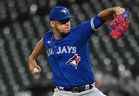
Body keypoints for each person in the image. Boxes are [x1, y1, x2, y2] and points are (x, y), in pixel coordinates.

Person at [28, 5, 126, 96]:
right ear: (52, 23)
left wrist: (114, 10)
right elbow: (42, 42)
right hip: (63, 93)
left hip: (89, 92)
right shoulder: (48, 37)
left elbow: (99, 18)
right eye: (62, 21)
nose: (67, 23)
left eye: (68, 20)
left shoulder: (80, 32)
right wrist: (32, 58)